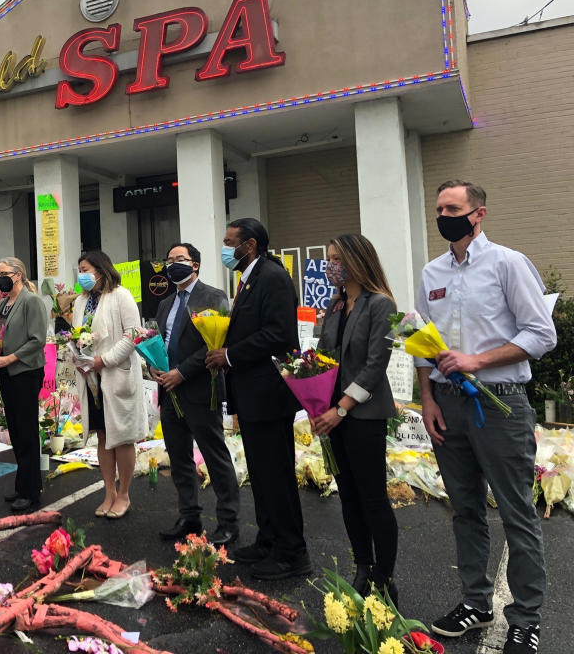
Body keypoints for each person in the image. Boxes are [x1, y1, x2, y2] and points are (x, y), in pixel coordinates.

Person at [417, 181, 555, 654]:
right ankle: (476, 602)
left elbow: (541, 333)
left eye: (452, 208)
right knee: (465, 510)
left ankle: (526, 618)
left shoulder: (507, 264)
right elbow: (423, 345)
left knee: (517, 513)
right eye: (438, 209)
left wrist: (477, 360)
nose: (443, 215)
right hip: (447, 404)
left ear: (479, 214)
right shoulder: (431, 272)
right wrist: (428, 400)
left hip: (500, 402)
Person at [205, 217, 309, 580]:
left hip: (269, 396)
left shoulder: (273, 277)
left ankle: (292, 553)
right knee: (262, 476)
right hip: (252, 396)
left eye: (229, 241)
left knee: (276, 476)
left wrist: (229, 355)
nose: (225, 248)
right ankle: (268, 540)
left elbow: (280, 335)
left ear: (249, 245)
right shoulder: (249, 277)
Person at [314, 234, 399, 602]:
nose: (330, 265)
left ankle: (384, 576)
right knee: (347, 494)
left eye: (337, 258)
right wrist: (314, 399)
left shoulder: (381, 304)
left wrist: (341, 408)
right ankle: (363, 565)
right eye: (328, 258)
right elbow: (322, 359)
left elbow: (375, 366)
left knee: (373, 498)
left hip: (362, 415)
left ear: (356, 260)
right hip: (332, 417)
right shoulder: (335, 305)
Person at [153, 242, 240, 545]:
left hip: (200, 389)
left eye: (180, 259)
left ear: (195, 265)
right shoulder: (165, 303)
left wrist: (182, 372)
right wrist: (156, 368)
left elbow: (213, 345)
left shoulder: (213, 297)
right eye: (169, 259)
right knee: (179, 459)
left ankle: (228, 521)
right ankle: (189, 517)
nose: (173, 264)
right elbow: (162, 342)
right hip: (169, 391)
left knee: (215, 458)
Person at [72, 250, 148, 519]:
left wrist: (104, 360)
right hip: (92, 379)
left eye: (85, 268)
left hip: (115, 375)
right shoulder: (80, 302)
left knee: (122, 437)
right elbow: (76, 336)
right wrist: (78, 358)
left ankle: (124, 493)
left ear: (101, 270)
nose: (81, 274)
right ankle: (109, 492)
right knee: (103, 436)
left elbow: (133, 336)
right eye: (79, 269)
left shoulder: (121, 296)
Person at [0, 257, 49, 512]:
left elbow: (37, 340)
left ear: (18, 274)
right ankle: (23, 484)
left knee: (27, 431)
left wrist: (8, 358)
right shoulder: (3, 304)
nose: (0, 277)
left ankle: (31, 490)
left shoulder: (31, 301)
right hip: (7, 373)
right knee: (16, 431)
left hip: (24, 371)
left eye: (4, 273)